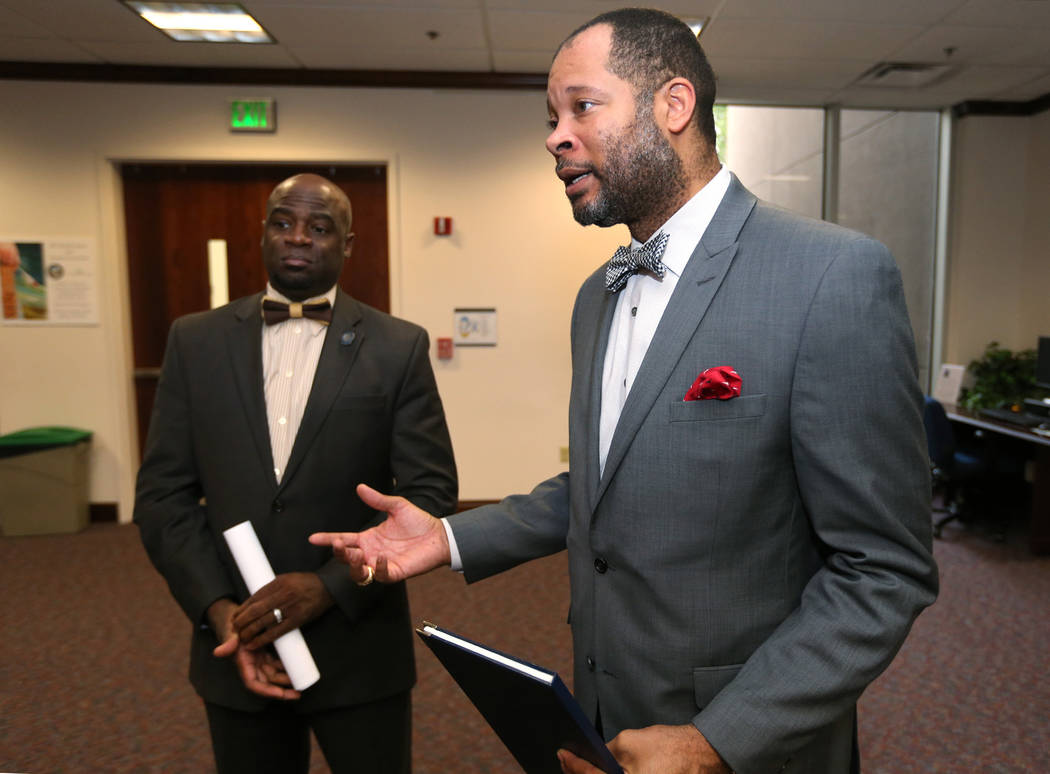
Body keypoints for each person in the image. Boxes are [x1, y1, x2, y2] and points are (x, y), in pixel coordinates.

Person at [312, 9, 937, 774]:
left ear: (673, 106)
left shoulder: (831, 275)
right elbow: (606, 487)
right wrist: (445, 538)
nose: (555, 136)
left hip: (751, 738)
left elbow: (883, 569)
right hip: (608, 715)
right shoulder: (595, 297)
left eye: (582, 106)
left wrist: (718, 741)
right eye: (551, 117)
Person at [134, 173, 457, 774]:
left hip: (360, 647)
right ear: (262, 235)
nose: (299, 238)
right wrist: (221, 612)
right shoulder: (194, 342)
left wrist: (328, 586)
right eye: (283, 223)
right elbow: (163, 499)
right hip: (238, 647)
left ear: (348, 244)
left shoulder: (397, 347)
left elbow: (430, 492)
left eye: (320, 226)